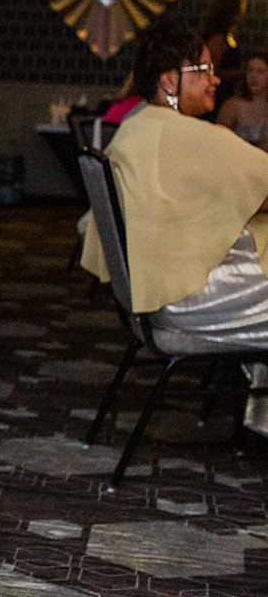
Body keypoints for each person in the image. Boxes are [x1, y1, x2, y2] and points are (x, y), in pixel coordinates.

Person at [81, 24, 268, 423]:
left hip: (153, 300)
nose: (216, 79)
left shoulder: (138, 125)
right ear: (169, 80)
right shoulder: (187, 134)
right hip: (187, 303)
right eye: (205, 70)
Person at [202, 0, 247, 115]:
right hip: (219, 94)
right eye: (240, 12)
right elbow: (213, 70)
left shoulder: (228, 36)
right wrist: (241, 72)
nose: (243, 16)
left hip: (227, 92)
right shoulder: (218, 39)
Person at [218, 52, 268, 151]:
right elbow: (219, 139)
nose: (254, 76)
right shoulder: (233, 105)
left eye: (260, 72)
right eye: (250, 71)